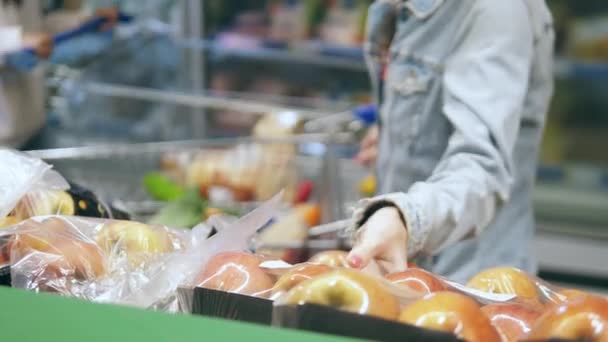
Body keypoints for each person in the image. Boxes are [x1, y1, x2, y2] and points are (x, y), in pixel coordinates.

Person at [347, 0, 554, 283]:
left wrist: (407, 217)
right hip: (410, 274)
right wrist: (397, 133)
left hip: (472, 287)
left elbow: (481, 168)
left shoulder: (496, 10)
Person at [0, 1, 117, 148]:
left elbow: (39, 28)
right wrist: (15, 40)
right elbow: (21, 38)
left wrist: (84, 21)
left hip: (33, 124)